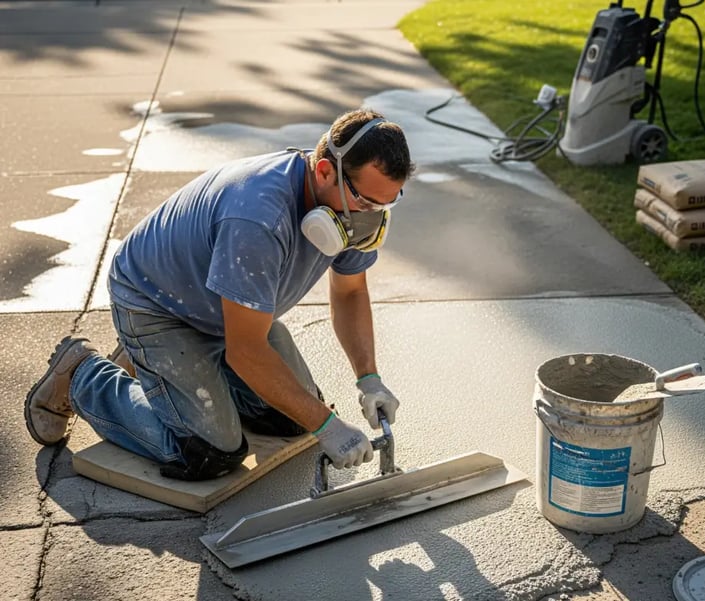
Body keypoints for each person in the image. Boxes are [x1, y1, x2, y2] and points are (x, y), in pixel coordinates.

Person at [24, 109, 415, 481]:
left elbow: (349, 292)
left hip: (224, 310)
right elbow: (245, 351)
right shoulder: (258, 217)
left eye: (387, 203)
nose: (372, 217)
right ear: (327, 171)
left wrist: (369, 379)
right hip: (159, 305)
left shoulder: (348, 208)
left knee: (295, 420)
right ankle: (83, 375)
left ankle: (168, 371)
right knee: (209, 451)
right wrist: (328, 426)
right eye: (366, 201)